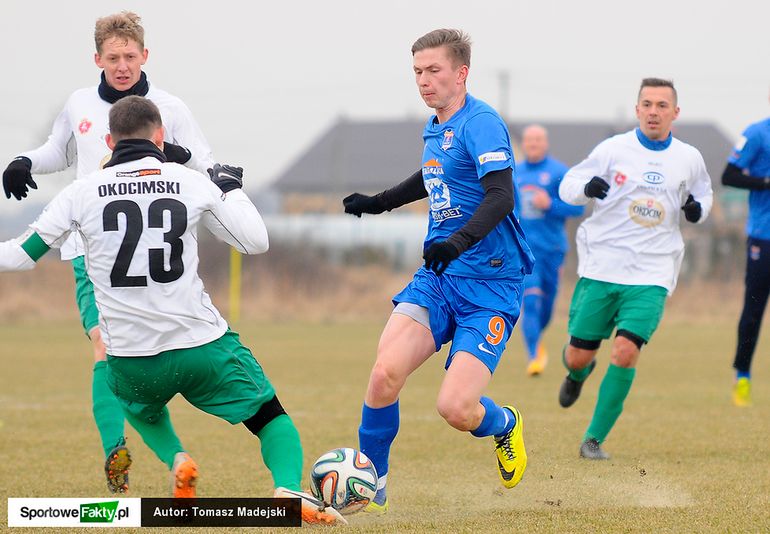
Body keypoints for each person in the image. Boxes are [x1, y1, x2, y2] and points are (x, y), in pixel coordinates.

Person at [0, 96, 345, 526]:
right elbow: (255, 242)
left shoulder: (80, 193)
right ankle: (287, 489)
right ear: (160, 136)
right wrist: (230, 187)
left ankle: (178, 457)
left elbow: (19, 256)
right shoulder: (188, 180)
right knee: (269, 417)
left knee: (134, 405)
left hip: (132, 359)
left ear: (109, 142)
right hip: (202, 346)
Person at [1, 11, 214, 493]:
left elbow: (206, 164)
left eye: (130, 57)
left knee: (148, 355)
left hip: (158, 258)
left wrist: (180, 158)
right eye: (113, 58)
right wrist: (24, 161)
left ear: (145, 56)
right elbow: (60, 151)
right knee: (104, 346)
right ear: (97, 59)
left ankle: (171, 448)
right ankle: (118, 451)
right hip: (92, 253)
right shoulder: (79, 103)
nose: (122, 66)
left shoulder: (170, 108)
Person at [342, 28, 534, 513]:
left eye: (433, 71)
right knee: (384, 373)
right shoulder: (436, 125)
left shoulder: (482, 123)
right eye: (417, 72)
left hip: (491, 285)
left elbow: (501, 197)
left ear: (461, 73)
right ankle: (373, 485)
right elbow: (431, 175)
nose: (423, 81)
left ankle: (504, 424)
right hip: (440, 278)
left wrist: (458, 241)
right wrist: (378, 203)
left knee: (455, 409)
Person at [557, 78, 713, 460]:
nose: (653, 112)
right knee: (578, 355)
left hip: (652, 273)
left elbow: (704, 194)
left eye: (662, 105)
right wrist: (587, 188)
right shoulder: (613, 150)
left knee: (626, 352)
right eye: (647, 104)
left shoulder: (689, 157)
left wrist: (698, 210)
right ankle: (577, 374)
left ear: (675, 113)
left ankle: (593, 440)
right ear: (637, 109)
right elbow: (568, 184)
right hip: (602, 267)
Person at [515, 125, 583, 376]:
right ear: (523, 144)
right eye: (529, 140)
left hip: (552, 249)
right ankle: (534, 355)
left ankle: (536, 336)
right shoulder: (514, 172)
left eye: (538, 140)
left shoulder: (559, 172)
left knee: (546, 305)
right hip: (524, 251)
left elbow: (577, 208)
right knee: (530, 300)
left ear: (546, 143)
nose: (533, 144)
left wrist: (550, 205)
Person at [721, 94, 770, 407]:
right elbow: (729, 175)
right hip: (764, 238)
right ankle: (743, 376)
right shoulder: (757, 133)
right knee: (753, 310)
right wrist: (765, 182)